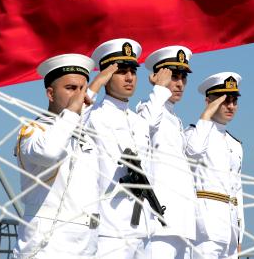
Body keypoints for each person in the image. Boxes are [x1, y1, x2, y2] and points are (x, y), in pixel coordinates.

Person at [13, 53, 115, 258]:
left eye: (82, 89)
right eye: (70, 89)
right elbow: (50, 153)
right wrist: (71, 112)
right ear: (50, 94)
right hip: (48, 244)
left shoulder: (84, 134)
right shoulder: (33, 131)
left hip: (87, 241)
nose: (79, 95)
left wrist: (99, 82)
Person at [87, 38, 173, 259]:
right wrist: (96, 83)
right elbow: (75, 115)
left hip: (142, 227)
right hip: (109, 229)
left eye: (132, 72)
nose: (129, 77)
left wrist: (160, 88)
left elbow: (153, 116)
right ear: (106, 76)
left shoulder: (137, 121)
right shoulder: (94, 116)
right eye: (121, 71)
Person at [137, 46, 197, 259]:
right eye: (173, 76)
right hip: (159, 219)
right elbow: (145, 127)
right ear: (159, 77)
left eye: (183, 77)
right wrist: (159, 90)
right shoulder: (148, 109)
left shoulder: (174, 119)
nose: (180, 83)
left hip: (181, 219)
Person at [185, 72, 245, 259]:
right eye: (224, 100)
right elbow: (193, 151)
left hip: (230, 230)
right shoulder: (194, 134)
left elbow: (238, 191)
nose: (230, 106)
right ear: (209, 101)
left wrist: (240, 233)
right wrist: (206, 116)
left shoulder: (235, 144)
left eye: (234, 100)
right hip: (205, 228)